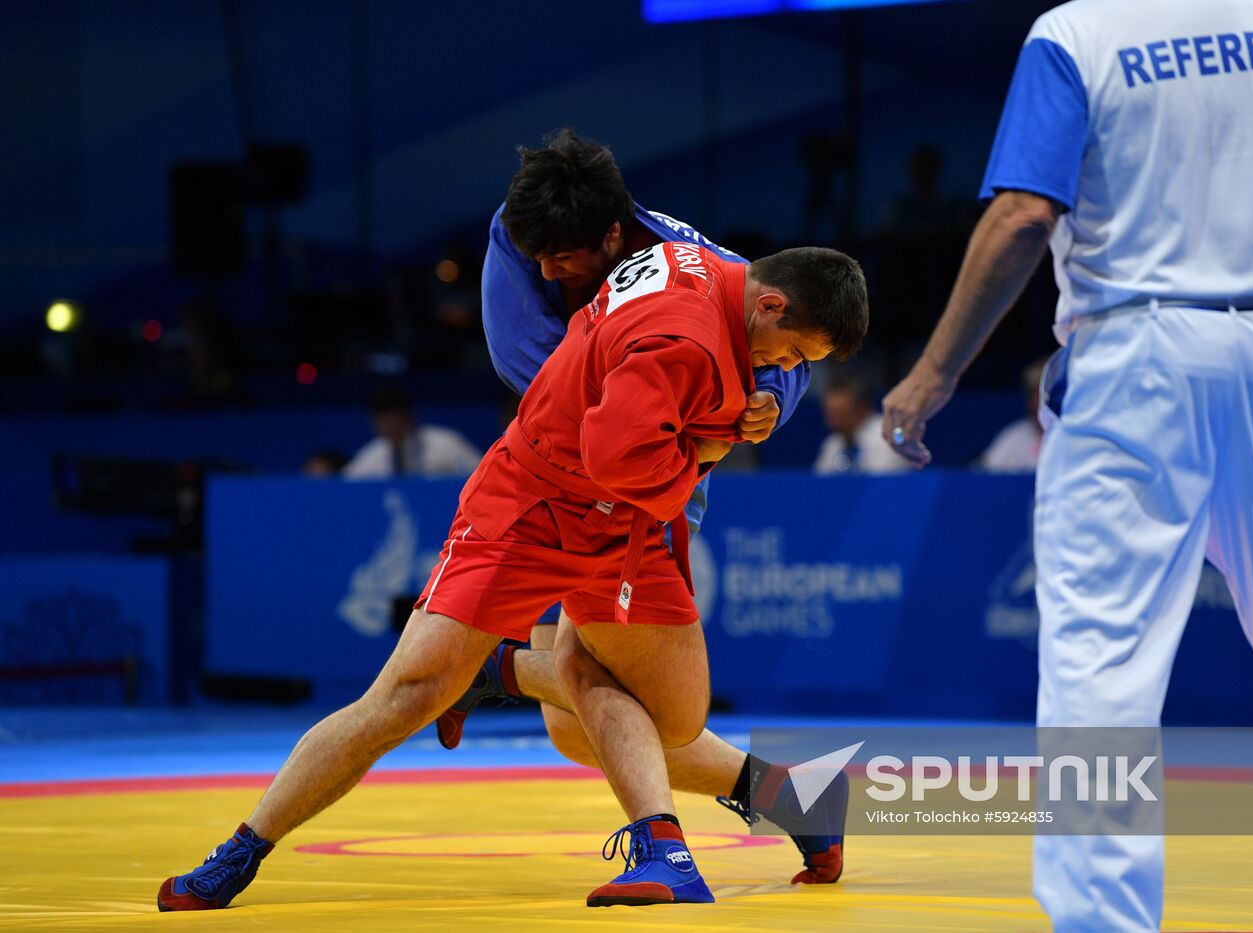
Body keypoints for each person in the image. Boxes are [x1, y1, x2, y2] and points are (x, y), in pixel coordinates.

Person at [881, 2, 1253, 930]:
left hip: (1134, 358)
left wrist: (931, 373)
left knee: (1101, 658)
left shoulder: (1075, 35)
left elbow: (1024, 215)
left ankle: (1104, 921)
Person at [156, 242, 867, 911]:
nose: (783, 365)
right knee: (406, 693)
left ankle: (516, 674)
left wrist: (748, 406)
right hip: (532, 508)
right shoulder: (686, 339)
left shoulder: (700, 261)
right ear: (770, 304)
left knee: (652, 718)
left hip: (620, 526)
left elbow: (665, 398)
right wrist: (707, 445)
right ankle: (242, 849)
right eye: (794, 352)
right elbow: (616, 456)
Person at [439, 128, 843, 886]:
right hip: (570, 471)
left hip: (656, 477)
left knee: (627, 708)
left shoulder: (691, 257)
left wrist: (764, 406)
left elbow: (786, 346)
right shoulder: (519, 233)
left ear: (614, 234)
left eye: (565, 260)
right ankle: (795, 800)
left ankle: (513, 680)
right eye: (541, 261)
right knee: (582, 722)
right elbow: (526, 367)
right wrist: (622, 410)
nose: (550, 270)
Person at [342, 384, 482, 479]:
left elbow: (481, 477)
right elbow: (345, 488)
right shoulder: (370, 458)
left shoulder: (447, 445)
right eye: (382, 419)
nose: (390, 425)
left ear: (409, 416)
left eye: (394, 417)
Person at [813, 371, 915, 475]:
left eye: (842, 415)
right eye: (830, 415)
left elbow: (879, 485)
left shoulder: (888, 437)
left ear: (863, 409)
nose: (834, 423)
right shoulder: (833, 444)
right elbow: (820, 485)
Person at [976, 356, 1048, 473]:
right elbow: (984, 475)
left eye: (1043, 394)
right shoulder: (1014, 438)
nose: (1037, 402)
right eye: (1033, 394)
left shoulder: (1076, 436)